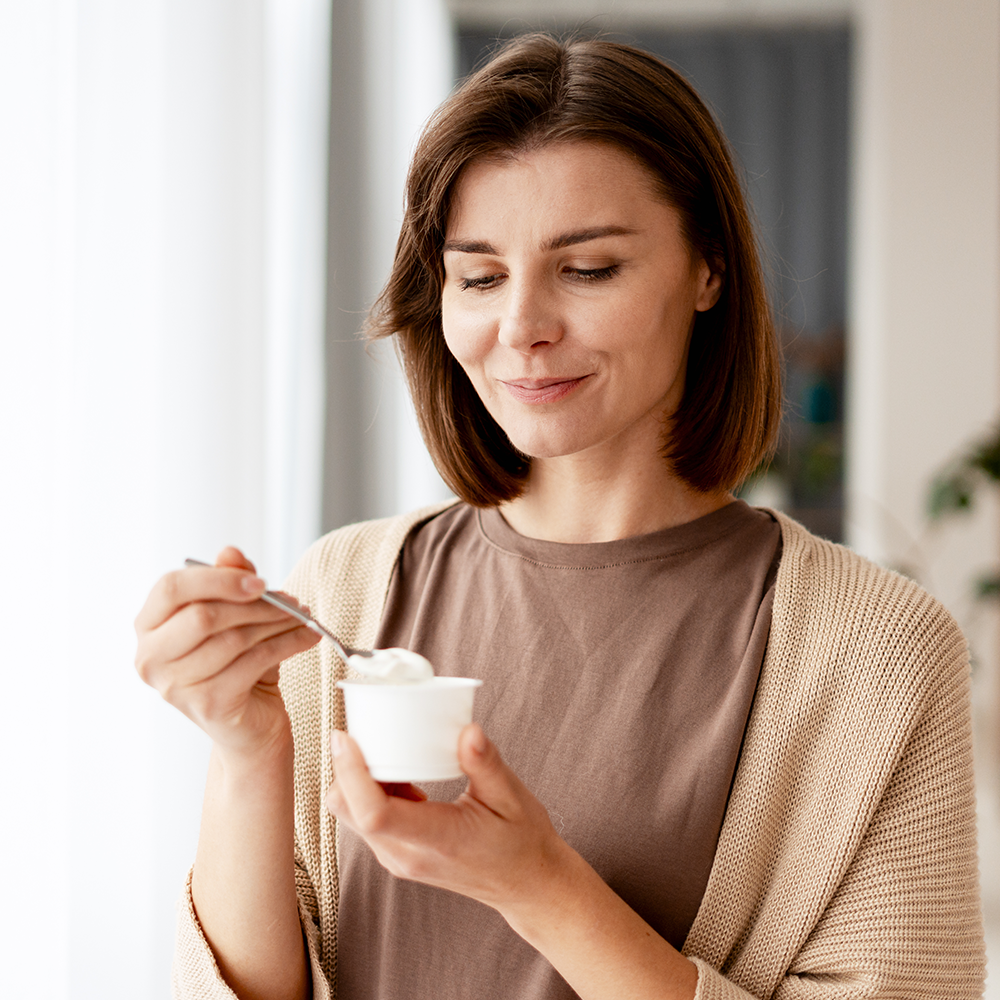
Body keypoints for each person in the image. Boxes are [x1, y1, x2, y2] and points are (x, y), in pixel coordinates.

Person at [134, 33, 985, 1000]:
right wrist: (248, 753)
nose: (523, 327)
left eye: (588, 270)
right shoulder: (347, 591)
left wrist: (540, 888)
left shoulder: (877, 652)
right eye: (480, 277)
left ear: (708, 270)